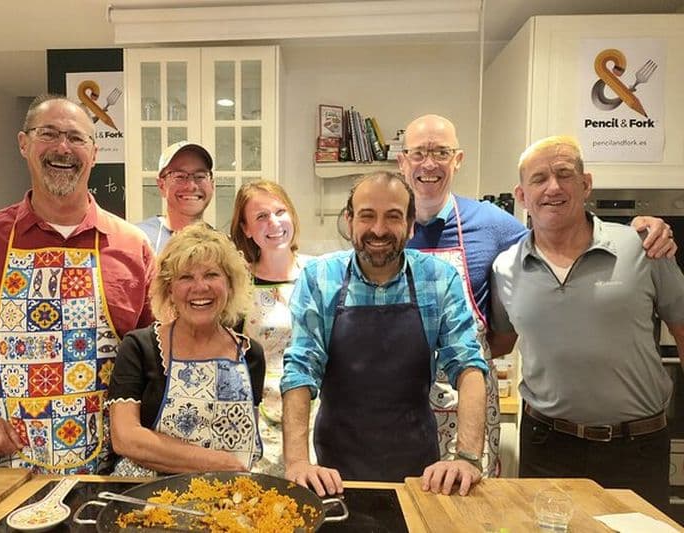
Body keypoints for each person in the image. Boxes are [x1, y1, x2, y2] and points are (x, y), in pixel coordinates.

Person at [398, 114, 678, 477]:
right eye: (419, 152)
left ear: (458, 159)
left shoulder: (493, 225)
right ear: (402, 160)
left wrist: (646, 227)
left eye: (441, 151)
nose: (429, 163)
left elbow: (554, 239)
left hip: (467, 401)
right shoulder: (384, 228)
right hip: (400, 402)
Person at [0, 94, 154, 474]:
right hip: (6, 469)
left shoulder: (131, 246)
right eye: (49, 133)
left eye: (76, 138)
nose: (63, 147)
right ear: (24, 144)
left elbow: (153, 359)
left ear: (94, 153)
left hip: (107, 473)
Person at [488, 135, 684, 511]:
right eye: (539, 179)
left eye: (564, 174)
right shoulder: (505, 267)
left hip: (637, 447)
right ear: (522, 195)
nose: (553, 187)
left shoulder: (643, 247)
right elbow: (500, 341)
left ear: (586, 184)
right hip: (547, 446)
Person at [281, 171, 488, 497]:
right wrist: (296, 462)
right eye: (367, 216)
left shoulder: (439, 278)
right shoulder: (320, 277)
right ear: (349, 220)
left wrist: (467, 456)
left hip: (421, 477)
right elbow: (299, 371)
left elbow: (469, 368)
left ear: (410, 224)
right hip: (334, 474)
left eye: (392, 216)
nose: (378, 229)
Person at [108, 223, 265, 476]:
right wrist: (219, 463)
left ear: (230, 284)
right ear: (170, 289)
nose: (200, 287)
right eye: (186, 277)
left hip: (228, 500)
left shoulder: (250, 355)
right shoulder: (140, 347)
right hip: (150, 498)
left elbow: (246, 446)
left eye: (212, 275)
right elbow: (125, 437)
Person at [230, 180, 314, 476]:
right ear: (246, 229)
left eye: (280, 211)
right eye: (261, 217)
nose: (274, 223)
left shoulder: (319, 273)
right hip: (259, 416)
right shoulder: (237, 285)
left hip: (317, 411)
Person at [136, 140, 214, 252]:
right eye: (179, 176)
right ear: (161, 185)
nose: (191, 186)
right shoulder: (139, 239)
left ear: (212, 184)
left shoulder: (224, 245)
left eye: (200, 176)